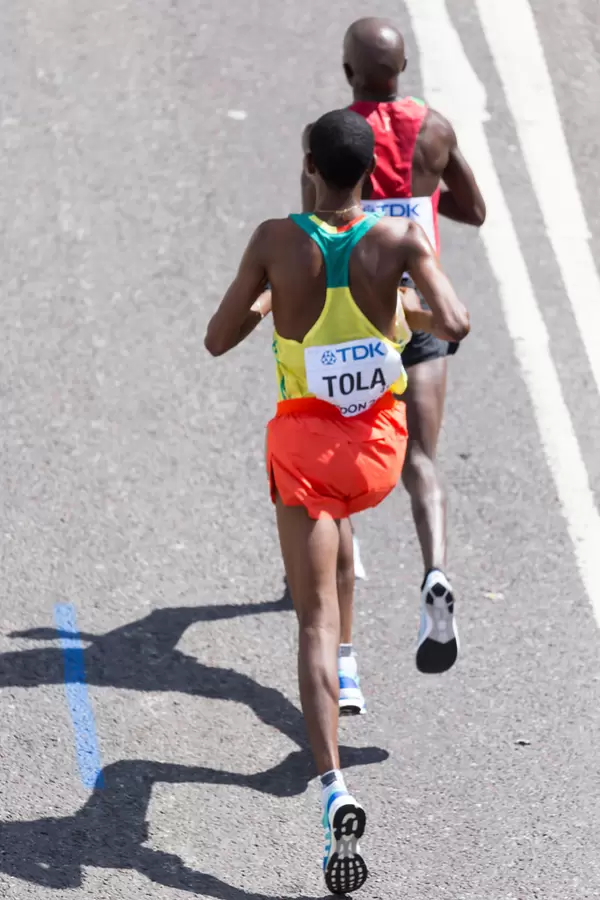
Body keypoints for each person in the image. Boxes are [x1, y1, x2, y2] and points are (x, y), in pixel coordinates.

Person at [205, 108, 469, 894]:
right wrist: (394, 316)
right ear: (367, 176)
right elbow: (453, 321)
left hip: (306, 454)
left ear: (309, 166)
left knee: (314, 617)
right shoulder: (399, 240)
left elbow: (218, 337)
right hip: (378, 454)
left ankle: (334, 787)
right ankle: (357, 663)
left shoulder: (275, 240)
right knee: (345, 525)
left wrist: (269, 303)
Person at [301, 18, 486, 691]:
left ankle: (343, 662)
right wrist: (424, 193)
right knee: (421, 461)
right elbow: (475, 208)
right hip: (424, 307)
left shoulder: (331, 138)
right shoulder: (434, 129)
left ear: (349, 71)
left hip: (362, 317)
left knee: (339, 470)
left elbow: (314, 228)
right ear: (404, 65)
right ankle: (435, 569)